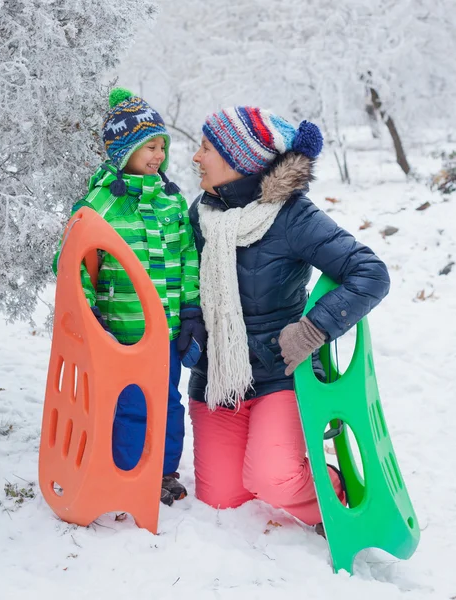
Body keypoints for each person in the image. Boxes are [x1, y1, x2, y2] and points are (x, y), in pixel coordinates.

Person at [187, 106, 390, 530]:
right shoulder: (201, 214)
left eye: (205, 148)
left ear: (236, 160)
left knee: (272, 480)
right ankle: (283, 458)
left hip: (283, 373)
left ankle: (341, 501)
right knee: (223, 499)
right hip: (220, 378)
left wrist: (313, 329)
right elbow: (184, 282)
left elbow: (370, 273)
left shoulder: (293, 216)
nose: (196, 158)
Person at [54, 87, 206, 506]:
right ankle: (124, 469)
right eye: (148, 147)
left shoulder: (171, 199)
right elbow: (71, 263)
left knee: (169, 403)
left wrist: (190, 310)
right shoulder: (100, 204)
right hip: (120, 332)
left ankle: (163, 472)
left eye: (161, 146)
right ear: (123, 151)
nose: (158, 155)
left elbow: (187, 255)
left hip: (170, 329)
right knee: (130, 403)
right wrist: (90, 316)